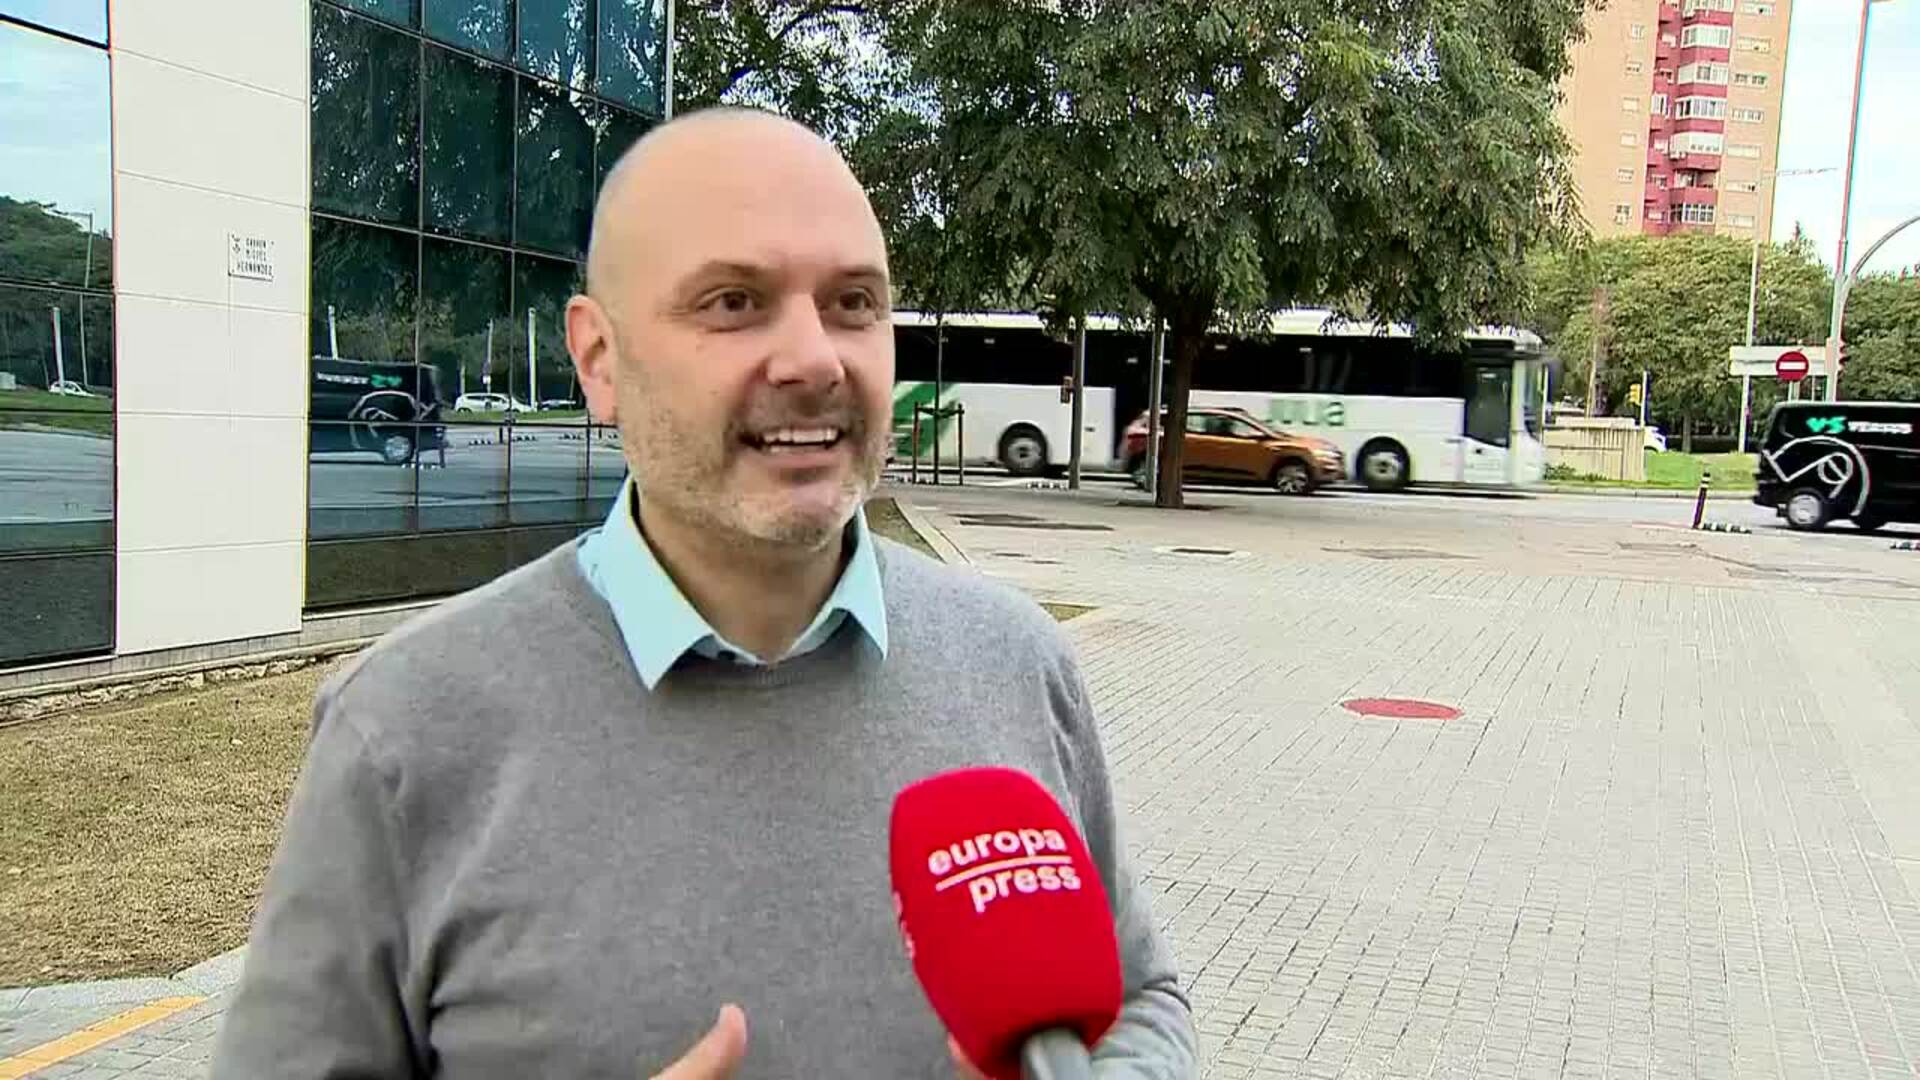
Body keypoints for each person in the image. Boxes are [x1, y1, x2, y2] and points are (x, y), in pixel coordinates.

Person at [211, 107, 1195, 1078]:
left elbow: (1141, 997)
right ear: (599, 360)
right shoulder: (401, 726)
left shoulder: (1016, 660)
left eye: (854, 302)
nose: (815, 359)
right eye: (733, 302)